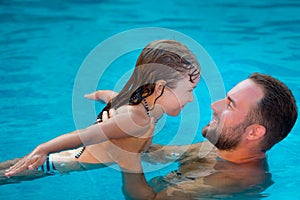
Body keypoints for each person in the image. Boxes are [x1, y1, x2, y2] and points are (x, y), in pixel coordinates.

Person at [3, 40, 201, 179]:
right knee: (7, 175)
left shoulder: (146, 106)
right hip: (56, 165)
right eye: (188, 91)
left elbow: (112, 96)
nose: (191, 99)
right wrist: (43, 149)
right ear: (160, 87)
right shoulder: (136, 119)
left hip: (69, 158)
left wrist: (101, 95)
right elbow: (86, 135)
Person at [103, 73, 298, 199]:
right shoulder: (220, 150)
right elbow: (153, 154)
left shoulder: (230, 181)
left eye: (230, 105)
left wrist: (128, 157)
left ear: (254, 132)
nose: (214, 105)